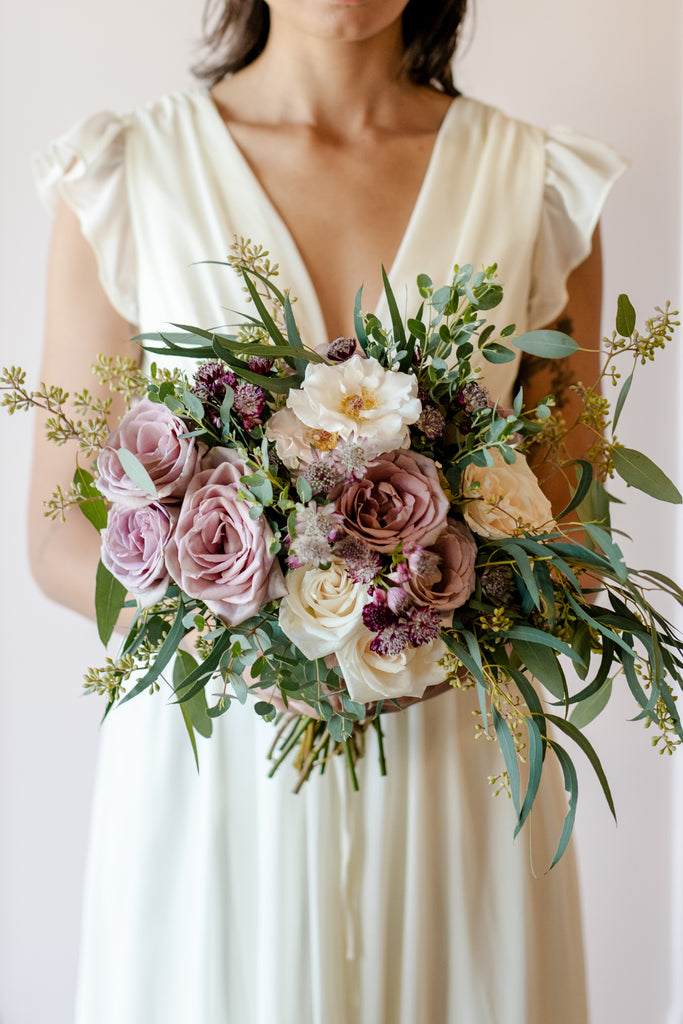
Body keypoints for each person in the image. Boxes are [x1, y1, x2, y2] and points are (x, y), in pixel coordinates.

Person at [30, 1, 625, 1021]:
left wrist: (430, 618)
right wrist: (264, 631)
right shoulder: (127, 175)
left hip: (455, 770)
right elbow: (57, 531)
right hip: (212, 772)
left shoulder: (537, 186)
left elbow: (574, 529)